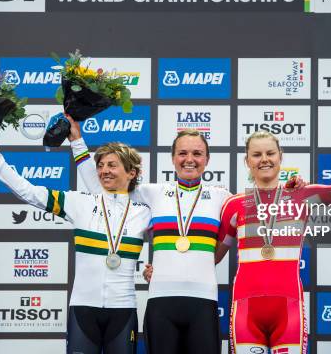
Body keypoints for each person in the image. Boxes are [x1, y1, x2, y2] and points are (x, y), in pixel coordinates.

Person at [215, 114, 331, 354]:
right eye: (257, 155)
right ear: (247, 161)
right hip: (245, 310)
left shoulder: (302, 195)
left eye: (270, 153)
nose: (264, 160)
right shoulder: (233, 205)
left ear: (281, 157)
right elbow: (213, 257)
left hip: (288, 310)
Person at [0, 132, 150, 354]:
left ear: (131, 172)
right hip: (82, 309)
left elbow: (174, 241)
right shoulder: (79, 202)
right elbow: (28, 191)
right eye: (100, 165)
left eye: (112, 165)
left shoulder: (145, 212)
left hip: (124, 309)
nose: (104, 170)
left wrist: (160, 269)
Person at [69, 120, 229, 354]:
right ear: (173, 158)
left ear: (207, 159)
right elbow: (103, 187)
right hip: (160, 302)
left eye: (197, 153)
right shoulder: (153, 193)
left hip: (204, 301)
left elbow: (257, 210)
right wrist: (76, 142)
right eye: (182, 153)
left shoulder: (222, 198)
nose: (189, 159)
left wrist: (293, 190)